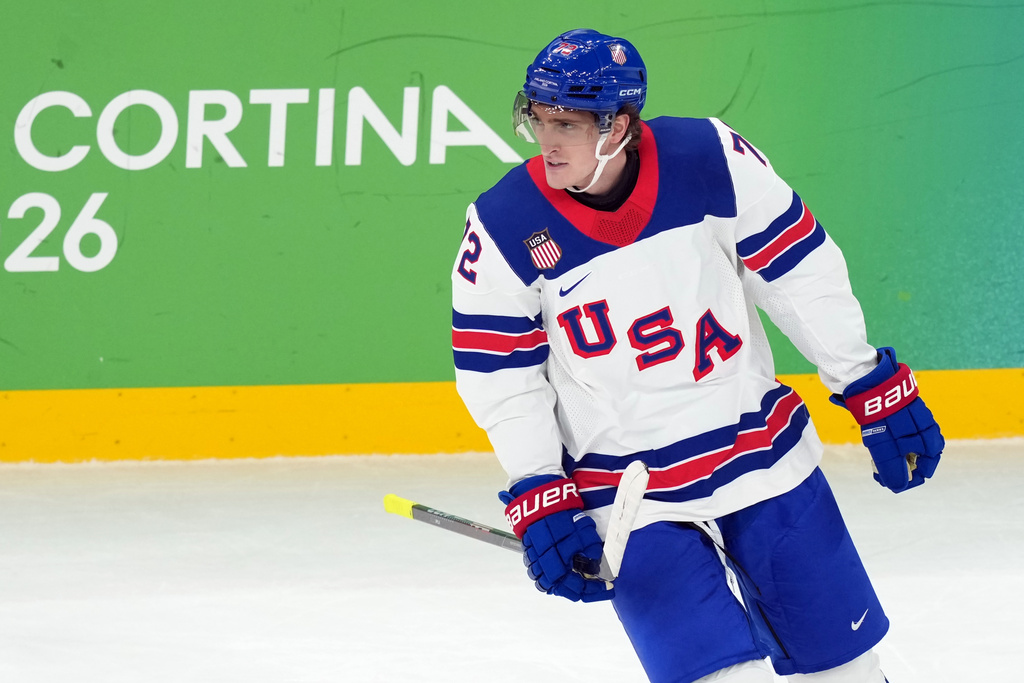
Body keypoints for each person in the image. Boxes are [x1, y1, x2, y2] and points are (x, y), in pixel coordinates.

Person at [451, 28, 944, 683]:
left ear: (619, 124)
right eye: (536, 119)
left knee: (847, 669)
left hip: (755, 451)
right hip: (624, 491)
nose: (546, 140)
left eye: (565, 123)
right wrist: (540, 488)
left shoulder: (710, 158)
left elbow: (800, 270)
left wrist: (866, 380)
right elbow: (501, 375)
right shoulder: (503, 222)